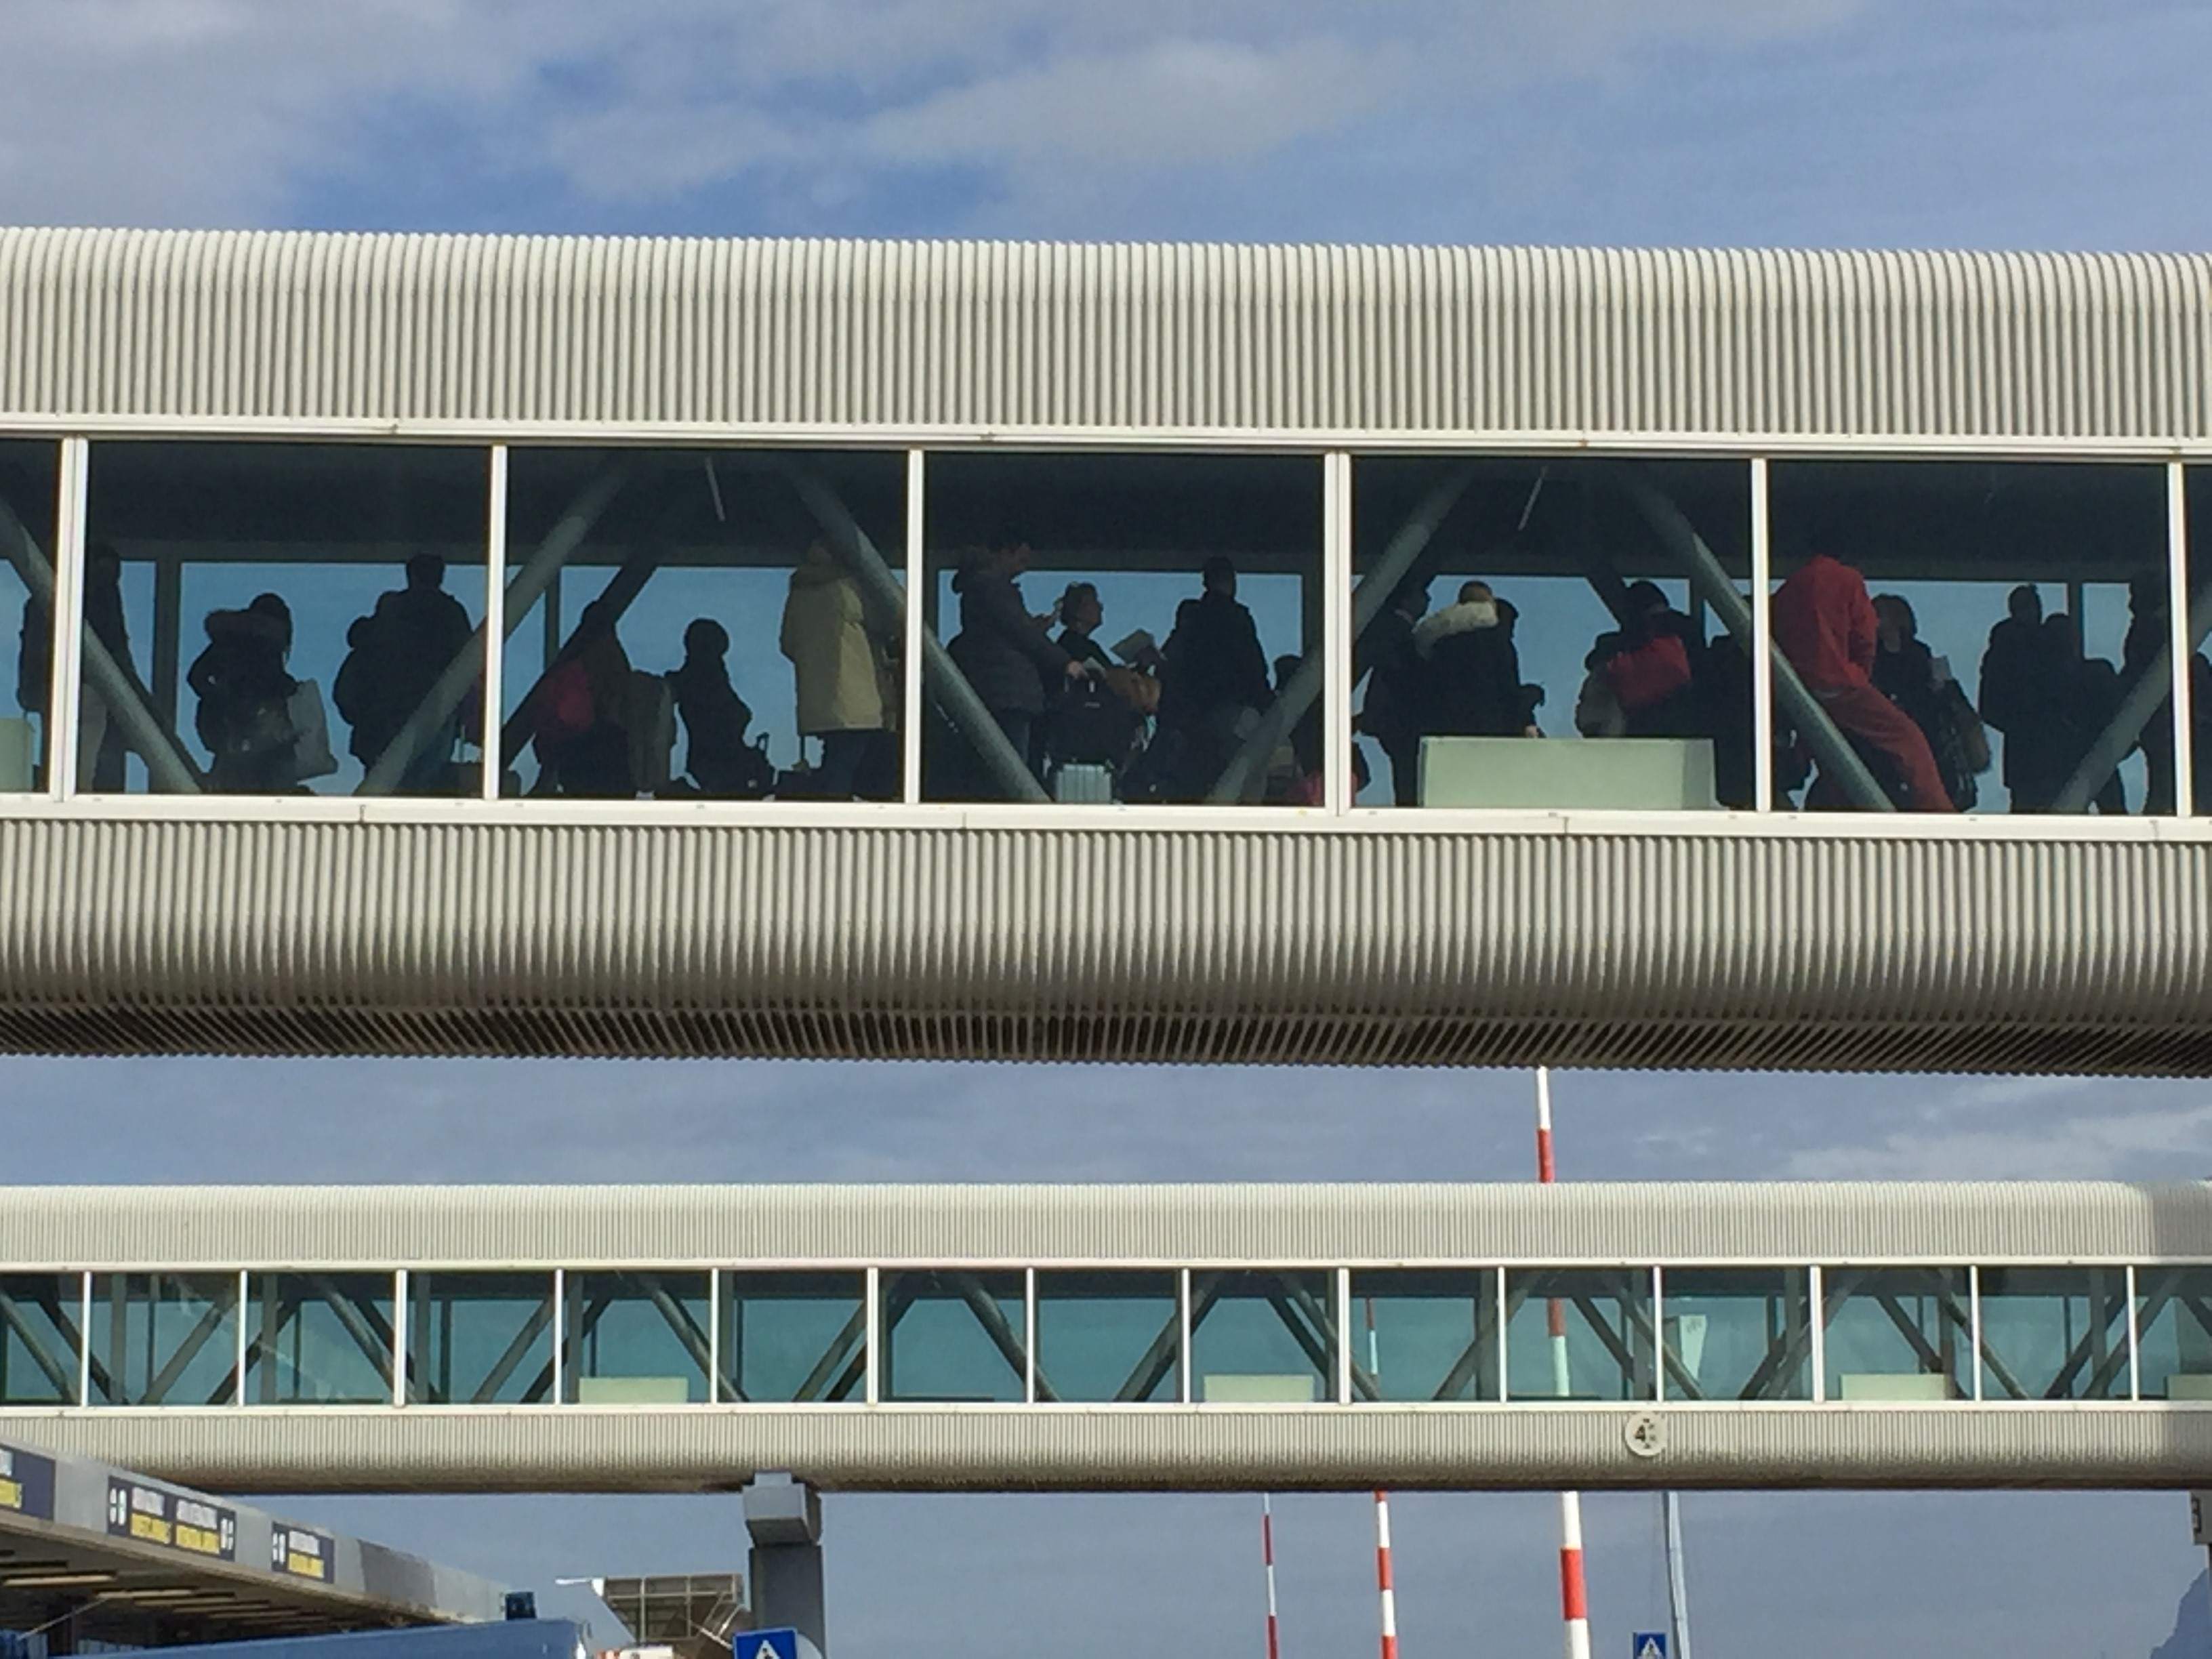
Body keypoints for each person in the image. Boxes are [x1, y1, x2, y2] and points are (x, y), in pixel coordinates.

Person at [1771, 552, 1954, 811]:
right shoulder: (1848, 580)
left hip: (1799, 686)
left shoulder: (1789, 589)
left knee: (1827, 750)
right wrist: (1860, 674)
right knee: (1907, 738)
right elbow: (1864, 635)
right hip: (1841, 682)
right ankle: (1937, 810)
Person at [947, 544, 1086, 793]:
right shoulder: (992, 587)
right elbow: (1019, 630)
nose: (1024, 566)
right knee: (1009, 774)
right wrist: (1064, 661)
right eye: (1021, 558)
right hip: (1007, 693)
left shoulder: (979, 589)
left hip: (997, 689)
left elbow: (1009, 629)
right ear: (1003, 553)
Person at [334, 554, 476, 793]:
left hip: (380, 720)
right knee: (421, 790)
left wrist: (362, 717)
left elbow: (348, 688)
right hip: (433, 712)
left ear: (410, 575)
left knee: (382, 793)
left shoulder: (386, 619)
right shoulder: (450, 614)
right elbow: (469, 663)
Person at [779, 539, 897, 799]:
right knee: (851, 764)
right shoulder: (850, 587)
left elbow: (788, 644)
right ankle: (837, 817)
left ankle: (829, 806)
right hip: (857, 695)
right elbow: (890, 622)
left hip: (817, 698)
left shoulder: (798, 594)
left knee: (837, 758)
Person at [1151, 556, 1273, 800]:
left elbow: (1169, 662)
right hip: (1229, 711)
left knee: (1196, 786)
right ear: (1232, 581)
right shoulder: (1237, 619)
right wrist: (1267, 705)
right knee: (1244, 780)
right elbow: (1255, 668)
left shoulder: (1191, 618)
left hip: (1190, 717)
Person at [1872, 593, 1985, 812]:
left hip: (1927, 752)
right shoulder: (1875, 659)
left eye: (1877, 614)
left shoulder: (1919, 658)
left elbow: (1940, 699)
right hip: (1899, 756)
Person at [187, 592, 298, 792]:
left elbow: (196, 676)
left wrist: (219, 700)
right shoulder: (268, 643)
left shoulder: (229, 640)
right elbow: (270, 682)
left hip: (230, 727)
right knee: (271, 788)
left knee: (231, 781)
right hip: (257, 728)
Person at [531, 598, 633, 797]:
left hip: (578, 751)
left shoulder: (573, 667)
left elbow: (566, 715)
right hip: (610, 751)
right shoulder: (615, 660)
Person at [1979, 584, 2062, 811]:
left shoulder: (2004, 645)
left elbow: (1989, 704)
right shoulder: (2038, 644)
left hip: (2025, 742)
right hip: (2039, 740)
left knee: (2027, 804)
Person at [665, 619, 769, 797]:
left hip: (720, 765)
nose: (720, 659)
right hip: (719, 765)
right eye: (716, 651)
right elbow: (736, 714)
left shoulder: (706, 678)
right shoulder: (701, 680)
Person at [1412, 579, 1525, 737]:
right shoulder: (1496, 643)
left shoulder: (1439, 644)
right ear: (1490, 603)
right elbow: (1507, 688)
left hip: (1446, 728)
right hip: (1491, 726)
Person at [1355, 578, 1431, 805]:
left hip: (1392, 719)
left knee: (1405, 772)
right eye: (1421, 595)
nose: (1427, 600)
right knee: (1409, 773)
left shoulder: (1393, 630)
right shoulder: (1399, 633)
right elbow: (1396, 675)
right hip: (1401, 719)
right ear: (1407, 600)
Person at [2043, 611, 2127, 814]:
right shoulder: (2044, 687)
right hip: (2074, 760)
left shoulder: (2096, 674)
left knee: (2113, 815)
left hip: (2093, 755)